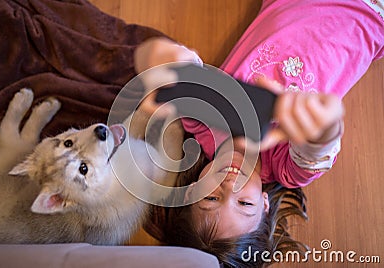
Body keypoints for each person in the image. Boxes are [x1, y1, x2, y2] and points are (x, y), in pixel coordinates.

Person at [134, 0, 384, 267]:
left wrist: (168, 60)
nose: (230, 185)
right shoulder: (286, 168)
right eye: (244, 203)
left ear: (191, 191)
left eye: (211, 197)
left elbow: (180, 67)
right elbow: (317, 150)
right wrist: (324, 126)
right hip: (368, 14)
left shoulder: (202, 125)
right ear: (264, 204)